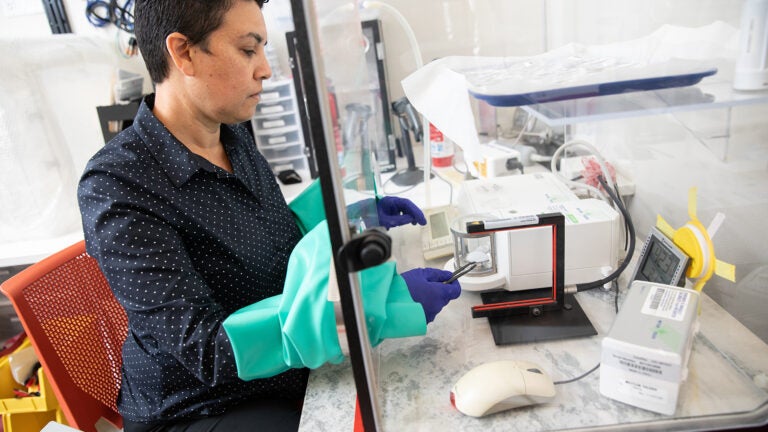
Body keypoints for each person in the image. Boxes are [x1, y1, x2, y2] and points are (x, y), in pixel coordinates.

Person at [77, 1, 461, 431]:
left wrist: (345, 218)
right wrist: (372, 306)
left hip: (277, 368)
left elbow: (275, 240)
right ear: (183, 53)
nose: (265, 70)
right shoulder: (118, 186)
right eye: (247, 50)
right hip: (203, 405)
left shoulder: (232, 134)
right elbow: (209, 351)